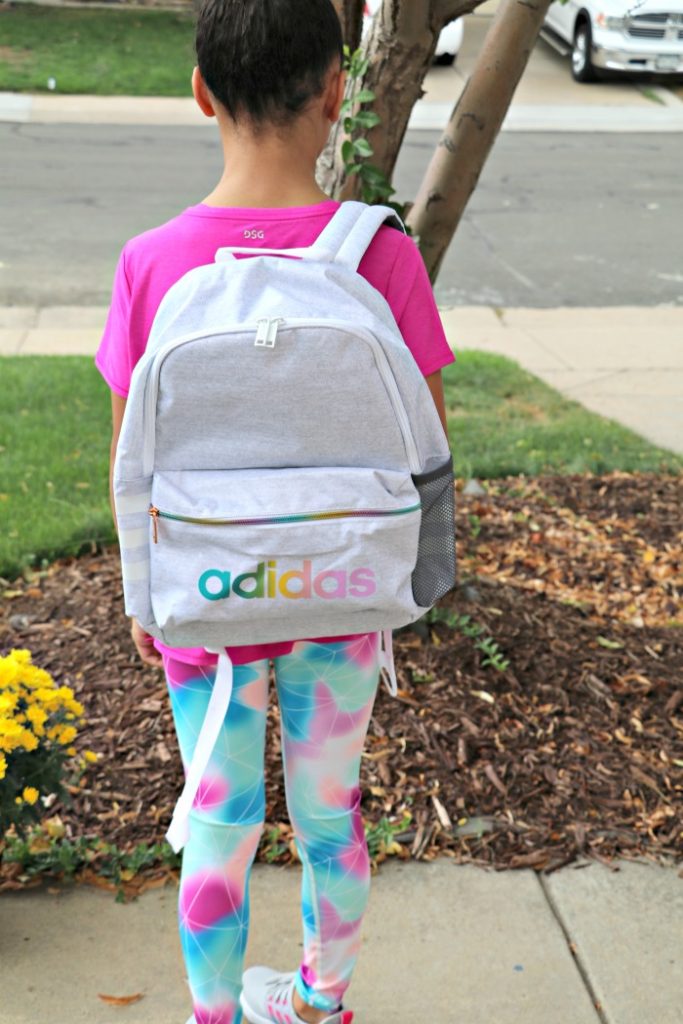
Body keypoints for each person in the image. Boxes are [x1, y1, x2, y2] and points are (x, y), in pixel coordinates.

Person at [96, 2, 455, 1022]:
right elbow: (424, 439)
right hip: (341, 590)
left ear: (201, 92)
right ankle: (318, 1002)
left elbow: (129, 458)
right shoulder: (376, 254)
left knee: (219, 818)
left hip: (205, 596)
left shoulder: (151, 261)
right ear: (337, 92)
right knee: (329, 812)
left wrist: (143, 591)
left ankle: (214, 1014)